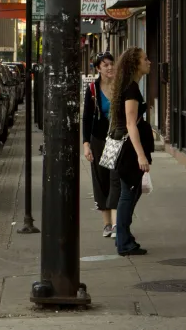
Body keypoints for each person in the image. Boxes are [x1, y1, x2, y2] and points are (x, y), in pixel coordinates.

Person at [107, 47, 154, 256]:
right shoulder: (132, 89)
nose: (149, 61)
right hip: (129, 150)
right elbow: (130, 123)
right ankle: (124, 241)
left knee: (131, 193)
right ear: (136, 64)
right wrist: (140, 155)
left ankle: (125, 238)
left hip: (128, 148)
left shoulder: (129, 87)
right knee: (128, 194)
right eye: (145, 59)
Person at [82, 52, 116, 238]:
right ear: (98, 68)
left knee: (116, 179)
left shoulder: (121, 86)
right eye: (105, 65)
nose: (110, 68)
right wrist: (86, 144)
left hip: (117, 139)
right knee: (101, 179)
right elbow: (87, 118)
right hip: (99, 139)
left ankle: (118, 222)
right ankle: (107, 224)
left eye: (111, 64)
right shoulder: (93, 90)